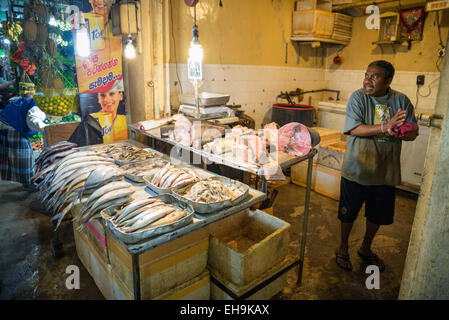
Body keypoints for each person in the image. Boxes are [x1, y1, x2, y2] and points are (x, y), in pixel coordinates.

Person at [335, 60, 418, 272]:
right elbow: (354, 129)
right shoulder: (358, 97)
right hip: (357, 169)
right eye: (366, 75)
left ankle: (365, 247)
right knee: (348, 213)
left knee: (377, 215)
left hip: (385, 172)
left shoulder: (401, 101)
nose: (368, 80)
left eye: (375, 76)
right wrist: (385, 126)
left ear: (388, 80)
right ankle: (343, 248)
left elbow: (412, 133)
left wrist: (400, 131)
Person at [0, 92, 47, 191]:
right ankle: (28, 183)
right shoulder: (37, 107)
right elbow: (33, 120)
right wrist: (47, 129)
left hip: (5, 122)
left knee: (16, 155)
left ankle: (30, 179)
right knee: (23, 155)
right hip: (11, 127)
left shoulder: (37, 98)